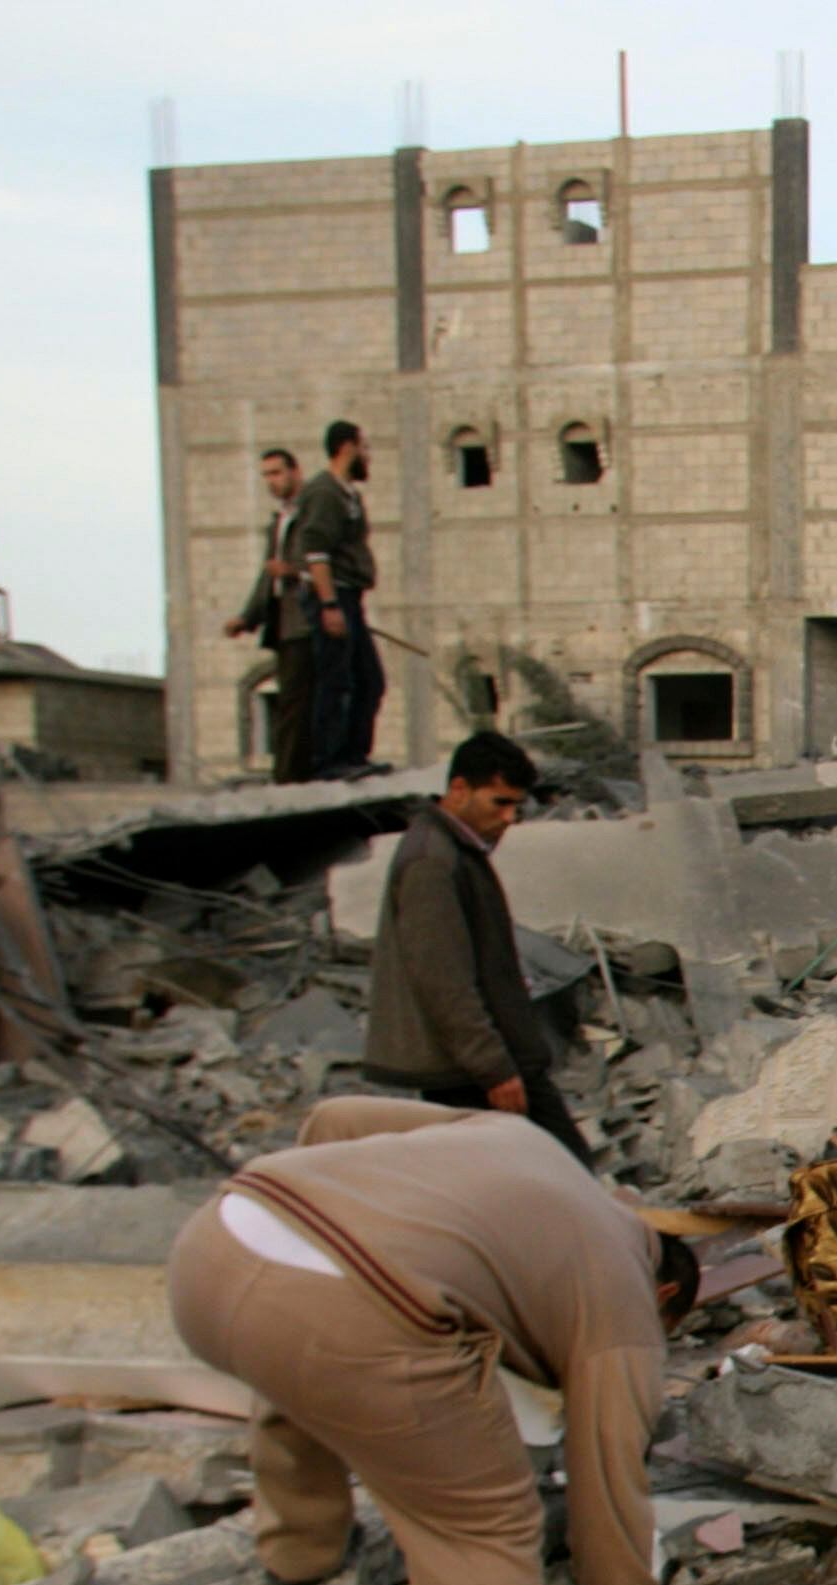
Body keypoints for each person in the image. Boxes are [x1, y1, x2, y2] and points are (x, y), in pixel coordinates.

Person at [166, 1098, 697, 1585]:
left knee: (306, 1371)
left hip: (216, 1246)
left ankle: (299, 1547)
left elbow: (332, 1119)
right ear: (665, 1292)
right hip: (346, 1307)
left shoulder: (523, 1143)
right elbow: (607, 1489)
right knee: (483, 1527)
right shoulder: (625, 1303)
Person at [364, 731, 594, 1166]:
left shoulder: (456, 849)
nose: (509, 818)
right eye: (499, 803)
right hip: (466, 1068)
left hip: (483, 1059)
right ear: (458, 790)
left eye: (516, 807)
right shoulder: (433, 860)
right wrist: (494, 1068)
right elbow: (442, 979)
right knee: (565, 1170)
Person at [288, 420, 388, 780]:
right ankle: (329, 762)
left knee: (369, 679)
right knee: (337, 679)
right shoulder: (324, 492)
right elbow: (315, 551)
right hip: (333, 595)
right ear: (347, 447)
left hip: (350, 596)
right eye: (364, 447)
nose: (367, 455)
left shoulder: (348, 493)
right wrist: (329, 605)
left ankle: (354, 756)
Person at [222, 448, 317, 783]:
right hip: (285, 622)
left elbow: (323, 562)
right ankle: (288, 774)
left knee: (300, 704)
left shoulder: (311, 512)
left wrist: (292, 571)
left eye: (276, 473)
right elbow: (268, 577)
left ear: (294, 471)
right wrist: (246, 618)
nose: (271, 481)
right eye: (266, 475)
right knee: (291, 701)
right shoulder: (279, 520)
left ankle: (292, 777)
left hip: (307, 620)